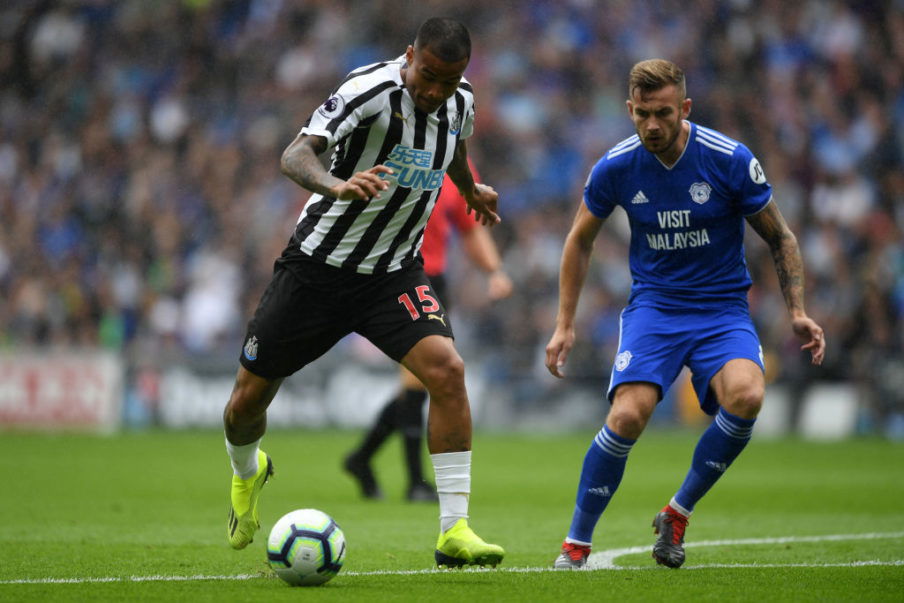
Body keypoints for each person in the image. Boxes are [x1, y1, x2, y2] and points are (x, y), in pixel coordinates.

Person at [223, 17, 505, 569]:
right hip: (316, 270)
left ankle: (455, 529)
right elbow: (294, 154)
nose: (433, 91)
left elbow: (453, 150)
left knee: (447, 371)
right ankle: (247, 473)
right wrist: (336, 184)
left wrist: (470, 189)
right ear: (409, 56)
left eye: (448, 82)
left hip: (393, 273)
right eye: (426, 76)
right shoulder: (367, 90)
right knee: (245, 405)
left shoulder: (459, 101)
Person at [545, 59, 826, 570]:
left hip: (721, 309)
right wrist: (565, 324)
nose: (653, 125)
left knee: (748, 395)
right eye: (643, 114)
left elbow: (780, 236)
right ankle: (576, 543)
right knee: (628, 414)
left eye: (664, 113)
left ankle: (676, 513)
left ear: (685, 109)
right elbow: (579, 240)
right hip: (656, 308)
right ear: (630, 110)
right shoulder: (616, 166)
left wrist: (798, 310)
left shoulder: (729, 159)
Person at [344, 163, 513, 502]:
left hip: (432, 280)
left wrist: (494, 270)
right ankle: (415, 482)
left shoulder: (458, 168)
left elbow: (470, 227)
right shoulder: (392, 155)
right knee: (418, 381)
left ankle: (362, 459)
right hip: (391, 274)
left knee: (425, 380)